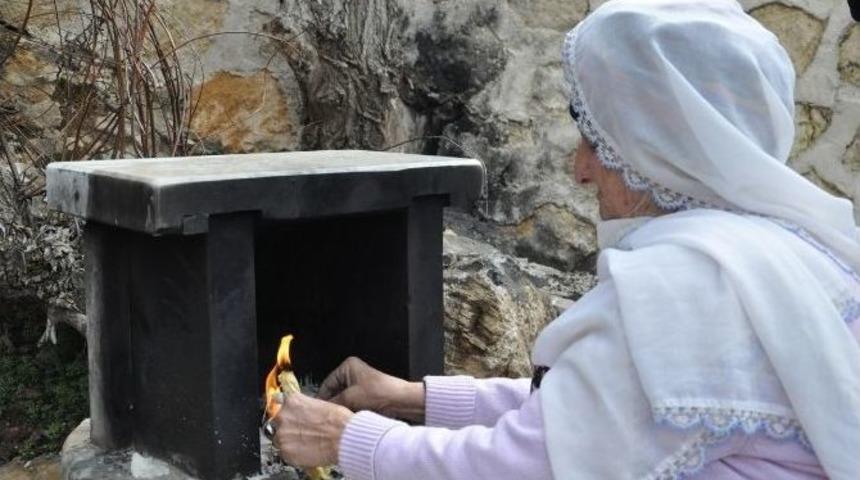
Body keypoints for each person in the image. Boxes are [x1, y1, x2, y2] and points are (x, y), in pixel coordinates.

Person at [269, 0, 860, 478]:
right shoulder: (779, 248)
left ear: (659, 150)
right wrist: (410, 396)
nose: (580, 169)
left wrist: (347, 438)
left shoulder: (685, 290)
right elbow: (597, 412)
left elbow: (532, 465)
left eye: (597, 143)